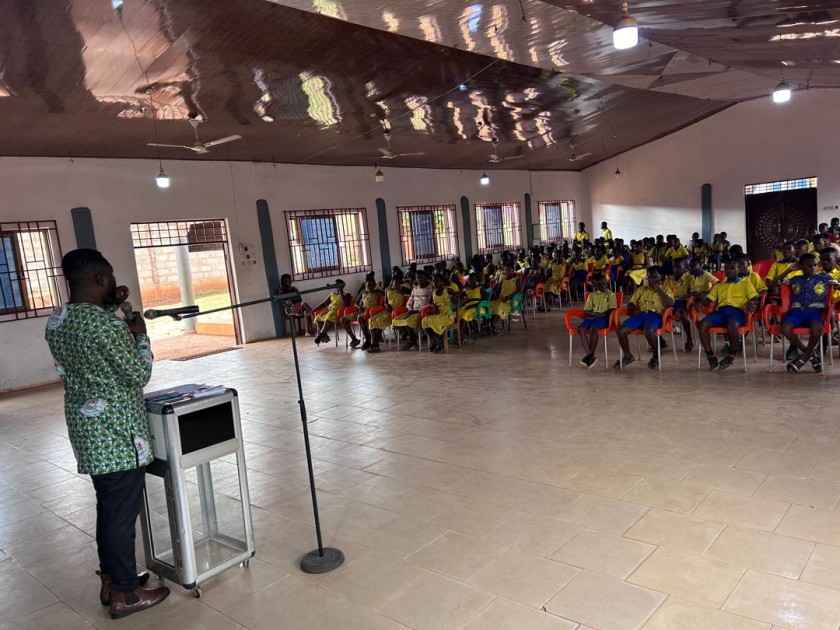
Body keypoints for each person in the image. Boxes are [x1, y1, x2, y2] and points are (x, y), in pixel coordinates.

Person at [44, 249, 169, 619]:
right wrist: (142, 336)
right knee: (120, 515)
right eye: (111, 277)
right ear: (101, 278)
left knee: (108, 508)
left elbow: (96, 354)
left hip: (87, 431)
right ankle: (127, 594)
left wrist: (117, 310)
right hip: (117, 435)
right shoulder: (105, 326)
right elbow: (137, 373)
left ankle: (112, 579)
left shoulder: (58, 320)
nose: (115, 282)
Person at [695, 260, 759, 371]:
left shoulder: (746, 284)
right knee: (702, 324)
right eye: (727, 268)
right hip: (720, 312)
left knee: (733, 324)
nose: (728, 271)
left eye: (732, 268)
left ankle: (731, 354)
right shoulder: (720, 286)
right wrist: (700, 303)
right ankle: (710, 355)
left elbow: (754, 299)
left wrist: (751, 303)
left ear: (738, 269)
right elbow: (709, 300)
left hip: (737, 312)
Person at [780, 253, 835, 373]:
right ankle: (810, 354)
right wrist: (789, 269)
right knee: (785, 328)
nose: (814, 268)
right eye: (809, 266)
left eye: (815, 265)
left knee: (818, 327)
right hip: (796, 312)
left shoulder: (825, 278)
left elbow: (837, 286)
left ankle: (804, 358)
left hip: (814, 312)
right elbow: (773, 283)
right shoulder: (795, 279)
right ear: (801, 266)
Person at [615, 266, 674, 370]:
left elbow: (670, 303)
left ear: (661, 278)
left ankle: (656, 355)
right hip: (640, 315)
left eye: (655, 277)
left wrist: (659, 290)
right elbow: (630, 303)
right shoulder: (641, 289)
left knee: (648, 330)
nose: (652, 280)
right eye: (650, 277)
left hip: (655, 316)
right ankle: (628, 356)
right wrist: (635, 308)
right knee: (621, 331)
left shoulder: (666, 289)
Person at [577, 274, 617, 368]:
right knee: (580, 329)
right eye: (600, 285)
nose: (603, 286)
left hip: (604, 318)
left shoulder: (611, 294)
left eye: (604, 283)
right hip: (592, 316)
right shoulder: (592, 295)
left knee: (594, 329)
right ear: (595, 286)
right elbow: (587, 310)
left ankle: (590, 355)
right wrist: (594, 314)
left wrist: (601, 314)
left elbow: (612, 309)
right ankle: (590, 355)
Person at [393, 270, 433, 350]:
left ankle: (412, 341)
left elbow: (429, 304)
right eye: (417, 278)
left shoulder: (430, 288)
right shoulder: (414, 288)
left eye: (421, 277)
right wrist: (410, 309)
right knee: (396, 320)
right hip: (412, 311)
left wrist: (417, 311)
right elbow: (410, 301)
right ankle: (412, 339)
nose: (419, 279)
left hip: (423, 311)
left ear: (426, 278)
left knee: (408, 321)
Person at [341, 278, 382, 350]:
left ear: (375, 285)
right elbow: (356, 303)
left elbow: (385, 294)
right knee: (343, 319)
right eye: (368, 285)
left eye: (372, 285)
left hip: (372, 312)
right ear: (365, 285)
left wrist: (376, 291)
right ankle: (354, 339)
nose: (370, 287)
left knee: (360, 318)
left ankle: (367, 340)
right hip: (362, 310)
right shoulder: (363, 292)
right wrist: (360, 306)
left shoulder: (377, 291)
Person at [664, 258, 694, 351]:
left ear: (685, 268)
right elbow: (665, 292)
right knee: (653, 314)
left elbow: (694, 292)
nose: (675, 269)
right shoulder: (669, 279)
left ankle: (689, 339)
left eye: (678, 267)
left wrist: (682, 297)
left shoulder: (689, 278)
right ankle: (660, 340)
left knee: (681, 314)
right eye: (674, 267)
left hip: (681, 302)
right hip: (669, 301)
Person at [422, 274, 456, 353]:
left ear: (442, 282)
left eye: (437, 281)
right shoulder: (433, 291)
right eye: (433, 281)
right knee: (425, 320)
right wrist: (433, 305)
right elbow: (429, 302)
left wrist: (453, 298)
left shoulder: (448, 290)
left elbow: (457, 298)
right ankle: (436, 341)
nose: (434, 283)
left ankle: (440, 343)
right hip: (437, 313)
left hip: (447, 315)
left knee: (434, 320)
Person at [490, 264, 522, 333]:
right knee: (491, 304)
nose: (507, 271)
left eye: (509, 270)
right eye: (506, 270)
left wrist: (509, 297)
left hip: (512, 300)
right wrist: (495, 294)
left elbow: (519, 290)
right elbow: (498, 290)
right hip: (501, 299)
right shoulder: (503, 279)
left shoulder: (517, 279)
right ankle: (489, 325)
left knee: (499, 306)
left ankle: (493, 326)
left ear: (513, 270)